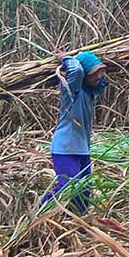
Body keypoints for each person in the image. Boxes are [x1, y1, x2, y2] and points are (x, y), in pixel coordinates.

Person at [42, 50, 108, 214]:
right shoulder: (72, 91)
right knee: (68, 186)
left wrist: (99, 70)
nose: (99, 76)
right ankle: (40, 213)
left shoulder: (91, 92)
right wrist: (65, 58)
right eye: (94, 73)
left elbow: (102, 82)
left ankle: (78, 221)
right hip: (65, 148)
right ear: (84, 75)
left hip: (82, 148)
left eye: (101, 72)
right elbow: (76, 70)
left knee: (83, 190)